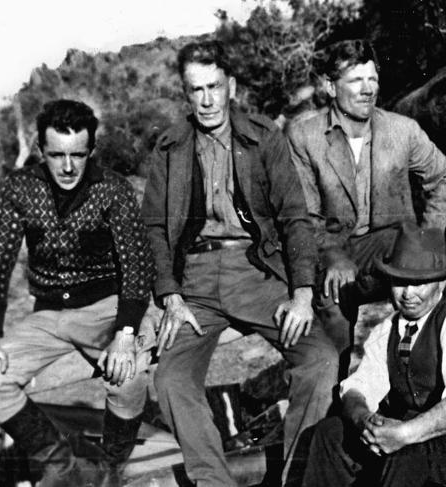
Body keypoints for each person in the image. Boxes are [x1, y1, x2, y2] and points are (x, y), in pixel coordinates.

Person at [141, 40, 338, 487]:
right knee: (171, 380)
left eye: (214, 86)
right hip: (194, 280)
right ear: (185, 94)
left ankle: (299, 477)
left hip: (256, 270)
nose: (206, 100)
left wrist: (303, 294)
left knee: (320, 360)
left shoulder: (264, 138)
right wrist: (169, 295)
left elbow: (294, 217)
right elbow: (153, 227)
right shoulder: (170, 148)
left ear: (231, 86)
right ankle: (214, 481)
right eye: (196, 90)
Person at [0, 99, 155, 486]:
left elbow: (136, 265)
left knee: (129, 378)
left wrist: (125, 334)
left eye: (77, 155)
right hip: (46, 315)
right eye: (56, 155)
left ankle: (109, 470)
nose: (67, 167)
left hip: (105, 308)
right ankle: (61, 467)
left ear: (91, 151)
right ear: (41, 150)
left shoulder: (113, 189)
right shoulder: (21, 187)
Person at [287, 39, 446, 374]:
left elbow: (445, 179)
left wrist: (427, 239)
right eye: (355, 81)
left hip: (392, 243)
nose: (367, 90)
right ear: (329, 86)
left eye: (373, 79)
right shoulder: (304, 135)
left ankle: (431, 379)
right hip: (334, 247)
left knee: (442, 282)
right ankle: (335, 391)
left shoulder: (401, 129)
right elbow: (303, 214)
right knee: (333, 299)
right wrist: (333, 256)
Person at [303, 224, 446, 487]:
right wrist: (365, 421)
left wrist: (403, 434)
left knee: (407, 450)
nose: (408, 294)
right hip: (423, 433)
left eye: (419, 283)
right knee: (331, 433)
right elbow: (358, 388)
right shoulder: (387, 330)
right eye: (400, 282)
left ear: (440, 283)